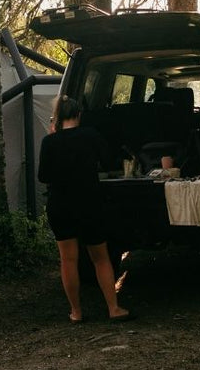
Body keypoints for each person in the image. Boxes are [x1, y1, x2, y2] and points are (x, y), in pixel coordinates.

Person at [37, 95, 131, 324]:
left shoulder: (49, 142)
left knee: (68, 260)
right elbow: (109, 162)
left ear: (58, 117)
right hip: (89, 204)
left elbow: (43, 176)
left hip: (60, 206)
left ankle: (76, 312)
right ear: (78, 115)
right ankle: (113, 308)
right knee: (100, 258)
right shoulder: (91, 135)